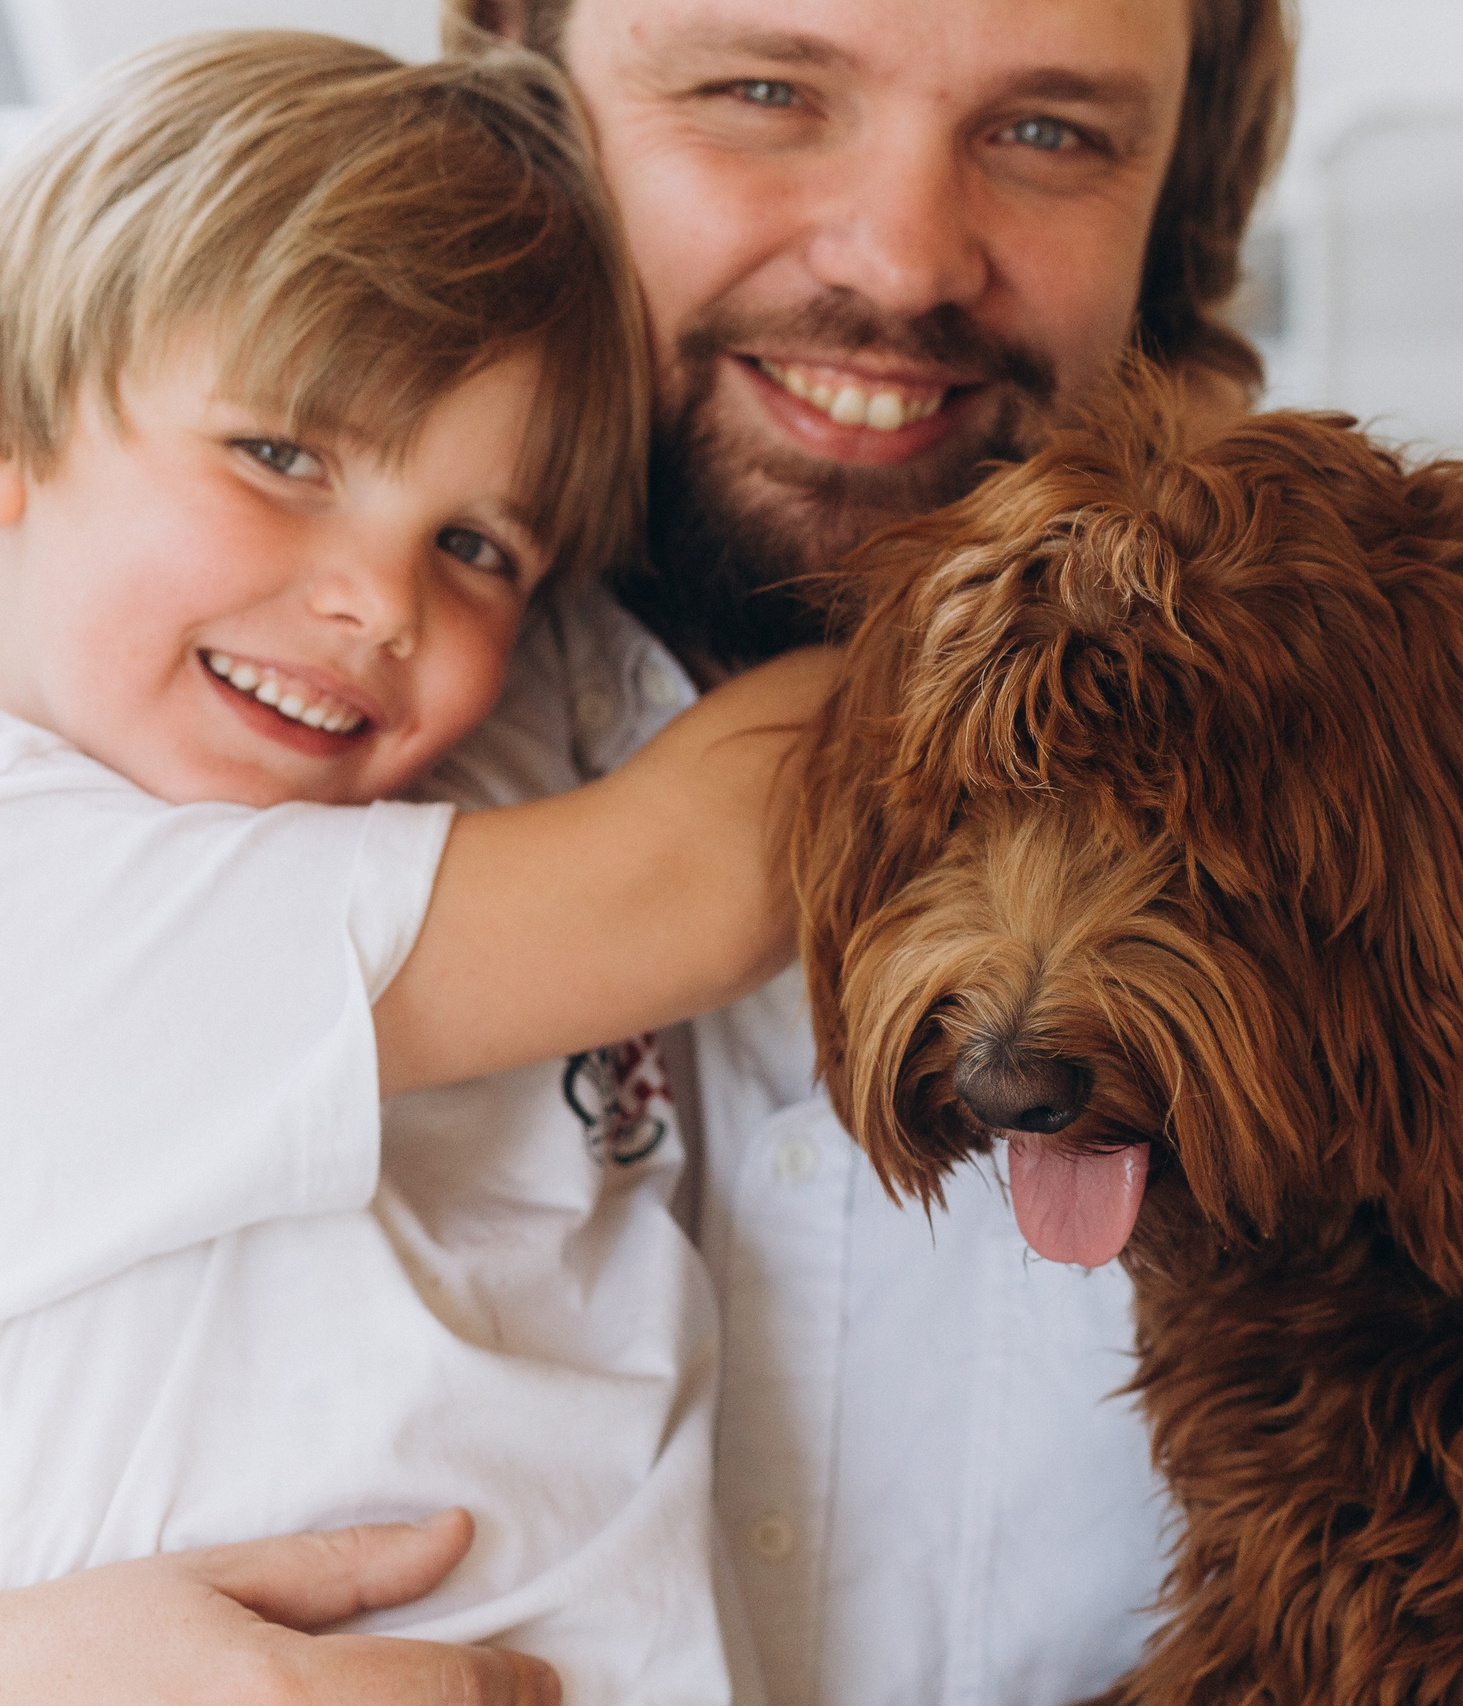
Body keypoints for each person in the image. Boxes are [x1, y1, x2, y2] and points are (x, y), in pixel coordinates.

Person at [0, 4, 1463, 1704]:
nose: (898, 256)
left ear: (1182, 204)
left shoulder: (1440, 816)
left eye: (1049, 131)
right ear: (533, 88)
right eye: (762, 91)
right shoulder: (265, 749)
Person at [0, 31, 841, 1702]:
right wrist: (1039, 571)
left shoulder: (432, 736)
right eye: (280, 456)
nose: (382, 604)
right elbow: (712, 872)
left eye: (473, 546)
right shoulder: (54, 886)